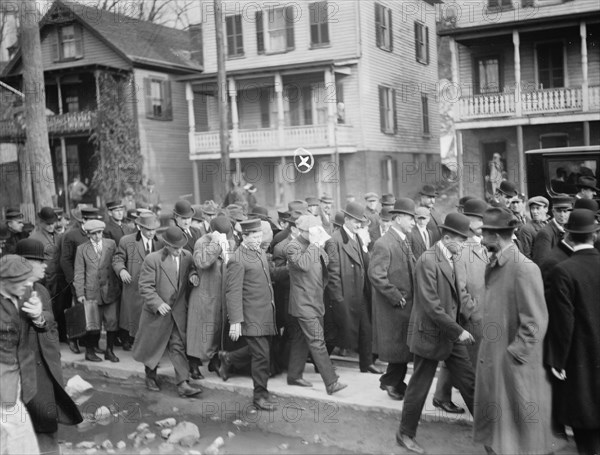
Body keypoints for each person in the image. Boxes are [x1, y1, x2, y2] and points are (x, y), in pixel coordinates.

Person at [474, 207, 565, 454]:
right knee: (498, 433)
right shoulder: (496, 263)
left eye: (484, 232)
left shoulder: (524, 268)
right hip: (496, 359)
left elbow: (535, 320)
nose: (481, 237)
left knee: (518, 436)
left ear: (496, 235)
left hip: (513, 365)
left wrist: (514, 355)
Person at [396, 213, 475, 454]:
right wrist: (458, 331)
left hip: (450, 332)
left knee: (470, 384)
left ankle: (491, 435)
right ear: (448, 237)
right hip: (430, 333)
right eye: (461, 240)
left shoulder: (452, 256)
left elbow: (457, 296)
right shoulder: (427, 260)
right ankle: (405, 434)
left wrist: (462, 323)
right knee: (419, 387)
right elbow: (431, 304)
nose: (464, 244)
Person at [15, 241, 83, 454]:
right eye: (40, 262)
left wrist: (40, 317)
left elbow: (50, 324)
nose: (45, 266)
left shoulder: (42, 291)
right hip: (18, 376)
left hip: (44, 372)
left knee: (46, 430)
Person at [545, 209, 600, 455]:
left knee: (585, 430)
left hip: (581, 361)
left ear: (569, 234)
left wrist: (558, 360)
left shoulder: (564, 271)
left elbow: (563, 323)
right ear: (594, 235)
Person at [432, 198, 488, 415]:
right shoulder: (463, 247)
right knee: (464, 358)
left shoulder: (479, 244)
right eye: (479, 219)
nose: (483, 223)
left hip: (476, 311)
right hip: (469, 314)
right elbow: (460, 286)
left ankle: (441, 395)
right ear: (469, 220)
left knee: (455, 355)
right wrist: (471, 312)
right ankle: (455, 398)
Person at [133, 226, 201, 398]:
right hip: (156, 313)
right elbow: (145, 286)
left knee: (177, 345)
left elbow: (191, 269)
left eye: (181, 247)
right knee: (153, 346)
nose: (179, 251)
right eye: (175, 248)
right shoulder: (153, 260)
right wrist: (157, 303)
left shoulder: (187, 256)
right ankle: (150, 376)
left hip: (177, 312)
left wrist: (193, 275)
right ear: (167, 245)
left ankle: (183, 383)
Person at [219, 219, 278, 410]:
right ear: (244, 236)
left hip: (265, 313)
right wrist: (236, 321)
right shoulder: (237, 259)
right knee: (261, 356)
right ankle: (260, 396)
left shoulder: (259, 252)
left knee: (259, 351)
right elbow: (233, 292)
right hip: (251, 316)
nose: (258, 240)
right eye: (254, 237)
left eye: (260, 236)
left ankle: (227, 358)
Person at [285, 215, 347, 395]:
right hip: (304, 303)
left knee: (300, 340)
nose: (317, 234)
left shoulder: (316, 245)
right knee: (317, 341)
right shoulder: (292, 247)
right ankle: (331, 382)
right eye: (313, 231)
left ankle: (294, 375)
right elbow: (303, 265)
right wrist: (314, 244)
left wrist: (321, 244)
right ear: (303, 231)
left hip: (314, 300)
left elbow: (325, 263)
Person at [368, 198, 416, 401]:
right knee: (398, 347)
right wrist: (396, 296)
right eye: (410, 218)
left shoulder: (402, 239)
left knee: (402, 347)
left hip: (405, 305)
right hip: (395, 306)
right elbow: (376, 275)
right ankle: (390, 382)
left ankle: (393, 381)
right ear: (398, 218)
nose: (413, 222)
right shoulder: (384, 243)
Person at [326, 202, 381, 374]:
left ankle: (366, 363)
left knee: (366, 328)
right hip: (344, 294)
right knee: (336, 331)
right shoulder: (334, 241)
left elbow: (364, 262)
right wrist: (338, 298)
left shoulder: (356, 237)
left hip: (360, 292)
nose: (359, 225)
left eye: (361, 222)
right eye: (357, 221)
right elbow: (332, 273)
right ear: (347, 220)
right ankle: (320, 359)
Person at [0, 255, 43, 455]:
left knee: (8, 428)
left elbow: (42, 326)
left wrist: (38, 316)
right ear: (4, 281)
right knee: (18, 427)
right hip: (3, 375)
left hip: (22, 372)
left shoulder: (26, 292)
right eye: (21, 281)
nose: (28, 285)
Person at [186, 216, 235, 379]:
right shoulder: (202, 242)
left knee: (217, 330)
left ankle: (214, 361)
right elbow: (201, 262)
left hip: (221, 295)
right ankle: (193, 364)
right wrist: (215, 243)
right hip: (204, 294)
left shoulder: (230, 243)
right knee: (199, 332)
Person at [112, 212, 163, 351]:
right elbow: (117, 259)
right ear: (140, 227)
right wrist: (121, 270)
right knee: (134, 317)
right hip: (134, 286)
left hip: (154, 288)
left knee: (152, 317)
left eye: (154, 229)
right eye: (148, 229)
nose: (152, 233)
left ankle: (149, 346)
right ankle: (132, 341)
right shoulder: (127, 241)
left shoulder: (161, 243)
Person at [74, 220, 121, 363]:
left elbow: (117, 263)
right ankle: (89, 351)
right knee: (93, 323)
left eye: (99, 232)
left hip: (110, 290)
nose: (97, 236)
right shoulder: (82, 249)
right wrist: (80, 294)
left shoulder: (111, 244)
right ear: (88, 234)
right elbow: (79, 272)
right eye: (93, 234)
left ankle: (109, 350)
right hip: (92, 292)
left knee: (112, 321)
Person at [60, 207, 101, 355]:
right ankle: (73, 340)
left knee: (94, 312)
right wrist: (73, 281)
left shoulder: (98, 234)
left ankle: (93, 343)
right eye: (90, 220)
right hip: (78, 280)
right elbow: (65, 260)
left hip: (94, 282)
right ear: (83, 220)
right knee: (78, 312)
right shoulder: (72, 235)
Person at [533, 195, 573, 265]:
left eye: (565, 211)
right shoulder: (545, 233)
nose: (562, 215)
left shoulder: (570, 230)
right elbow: (541, 263)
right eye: (559, 211)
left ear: (570, 212)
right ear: (553, 212)